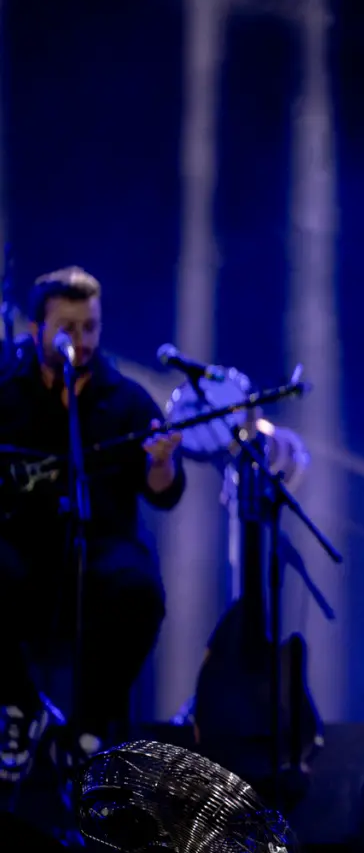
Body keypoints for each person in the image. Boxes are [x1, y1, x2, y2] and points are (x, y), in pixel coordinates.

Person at [0, 266, 184, 785]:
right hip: (22, 545)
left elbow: (164, 493)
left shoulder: (127, 399)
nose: (80, 341)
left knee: (141, 593)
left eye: (90, 327)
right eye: (67, 328)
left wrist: (162, 462)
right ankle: (21, 707)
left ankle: (88, 727)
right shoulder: (6, 392)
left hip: (102, 545)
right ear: (36, 328)